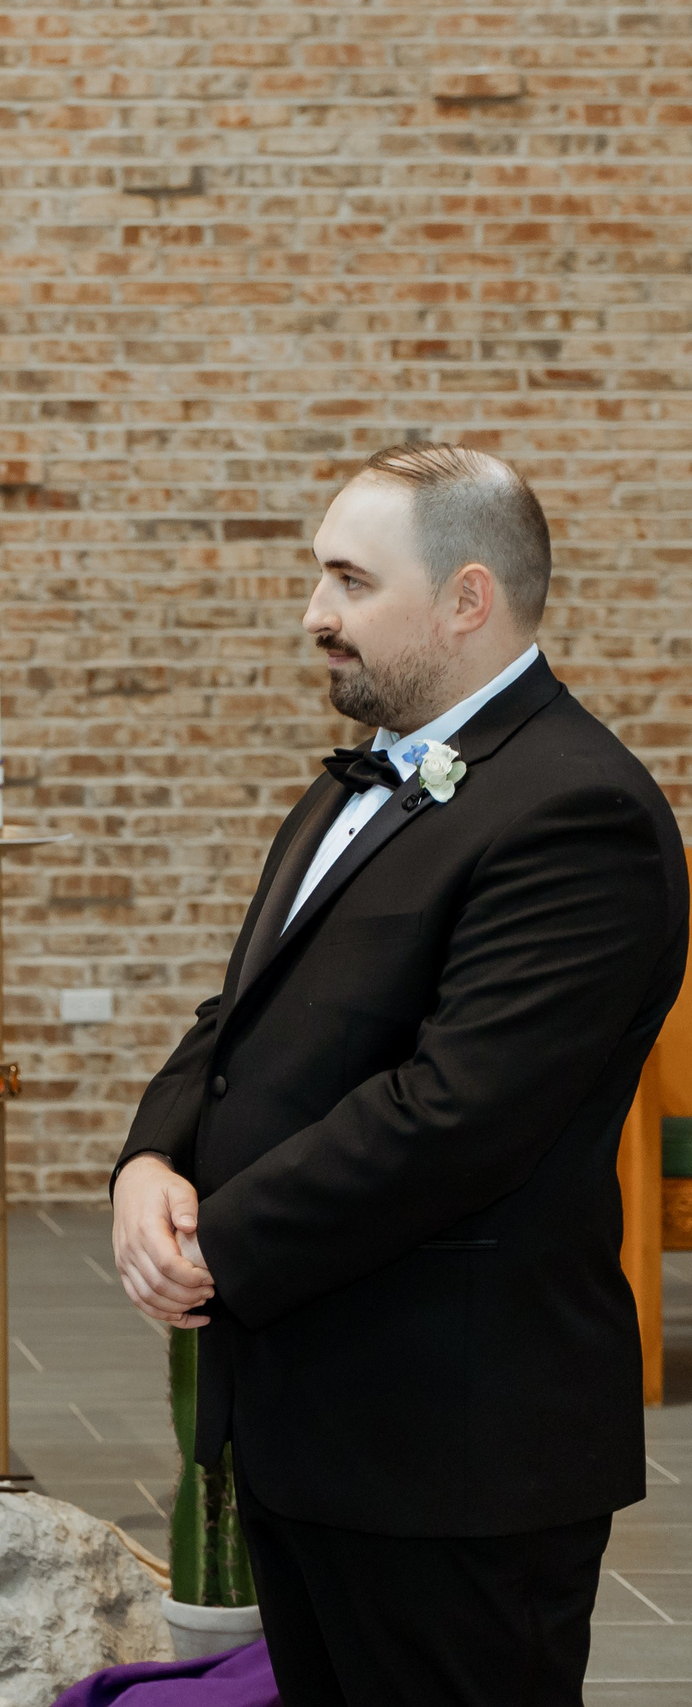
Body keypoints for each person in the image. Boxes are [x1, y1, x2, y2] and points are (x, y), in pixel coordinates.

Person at [109, 445, 689, 1707]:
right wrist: (150, 1156)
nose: (315, 613)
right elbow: (241, 1012)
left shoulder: (576, 811)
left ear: (466, 600)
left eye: (348, 581)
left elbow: (456, 1112)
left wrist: (219, 1234)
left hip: (452, 1449)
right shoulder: (359, 784)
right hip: (318, 1422)